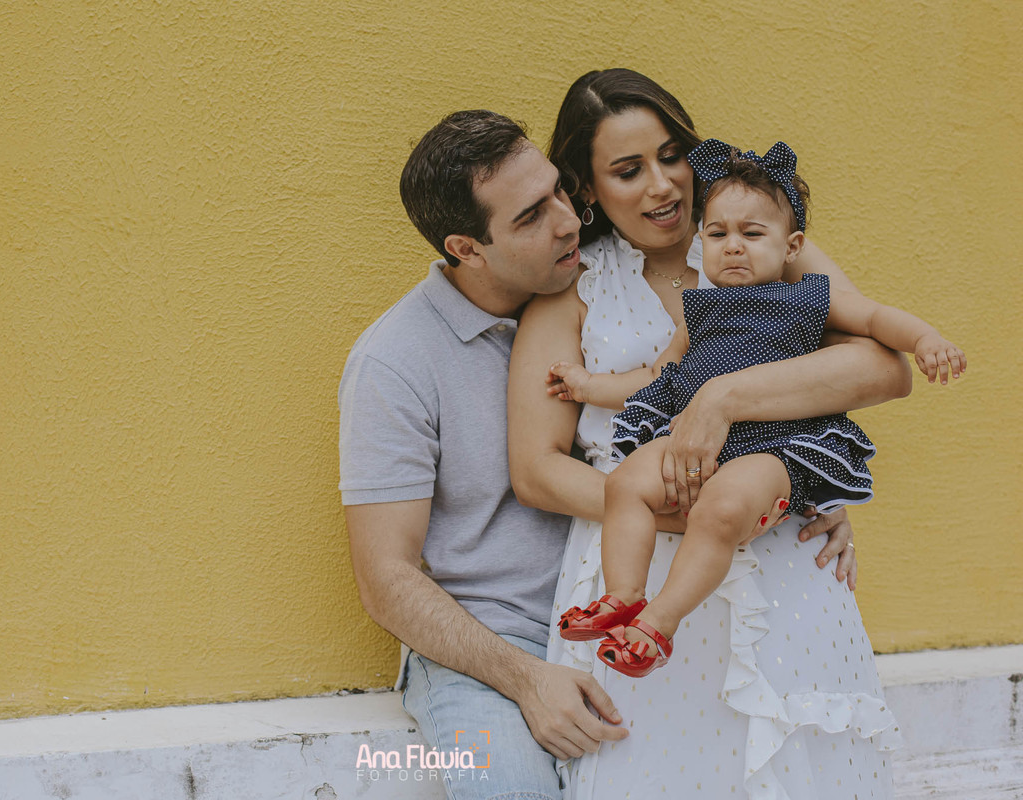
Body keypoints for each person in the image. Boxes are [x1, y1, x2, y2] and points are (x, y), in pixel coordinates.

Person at [507, 69, 911, 798]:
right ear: (589, 189)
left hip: (780, 556)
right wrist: (664, 508)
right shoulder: (573, 289)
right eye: (629, 171)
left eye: (671, 156)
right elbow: (536, 469)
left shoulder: (757, 241)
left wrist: (730, 404)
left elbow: (883, 369)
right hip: (638, 558)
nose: (663, 185)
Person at [549, 139, 965, 679]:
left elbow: (874, 319)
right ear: (702, 239)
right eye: (718, 234)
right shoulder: (698, 312)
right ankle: (624, 596)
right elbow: (653, 378)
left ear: (791, 246)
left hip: (775, 447)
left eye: (752, 234)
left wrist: (925, 338)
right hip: (692, 442)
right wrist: (586, 386)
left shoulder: (808, 297)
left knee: (720, 511)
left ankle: (659, 625)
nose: (734, 247)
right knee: (624, 483)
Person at [339, 109, 628, 800]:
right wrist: (526, 678)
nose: (568, 221)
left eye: (560, 191)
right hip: (485, 648)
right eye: (531, 215)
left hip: (616, 616)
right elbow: (386, 579)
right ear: (467, 248)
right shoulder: (393, 362)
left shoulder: (607, 298)